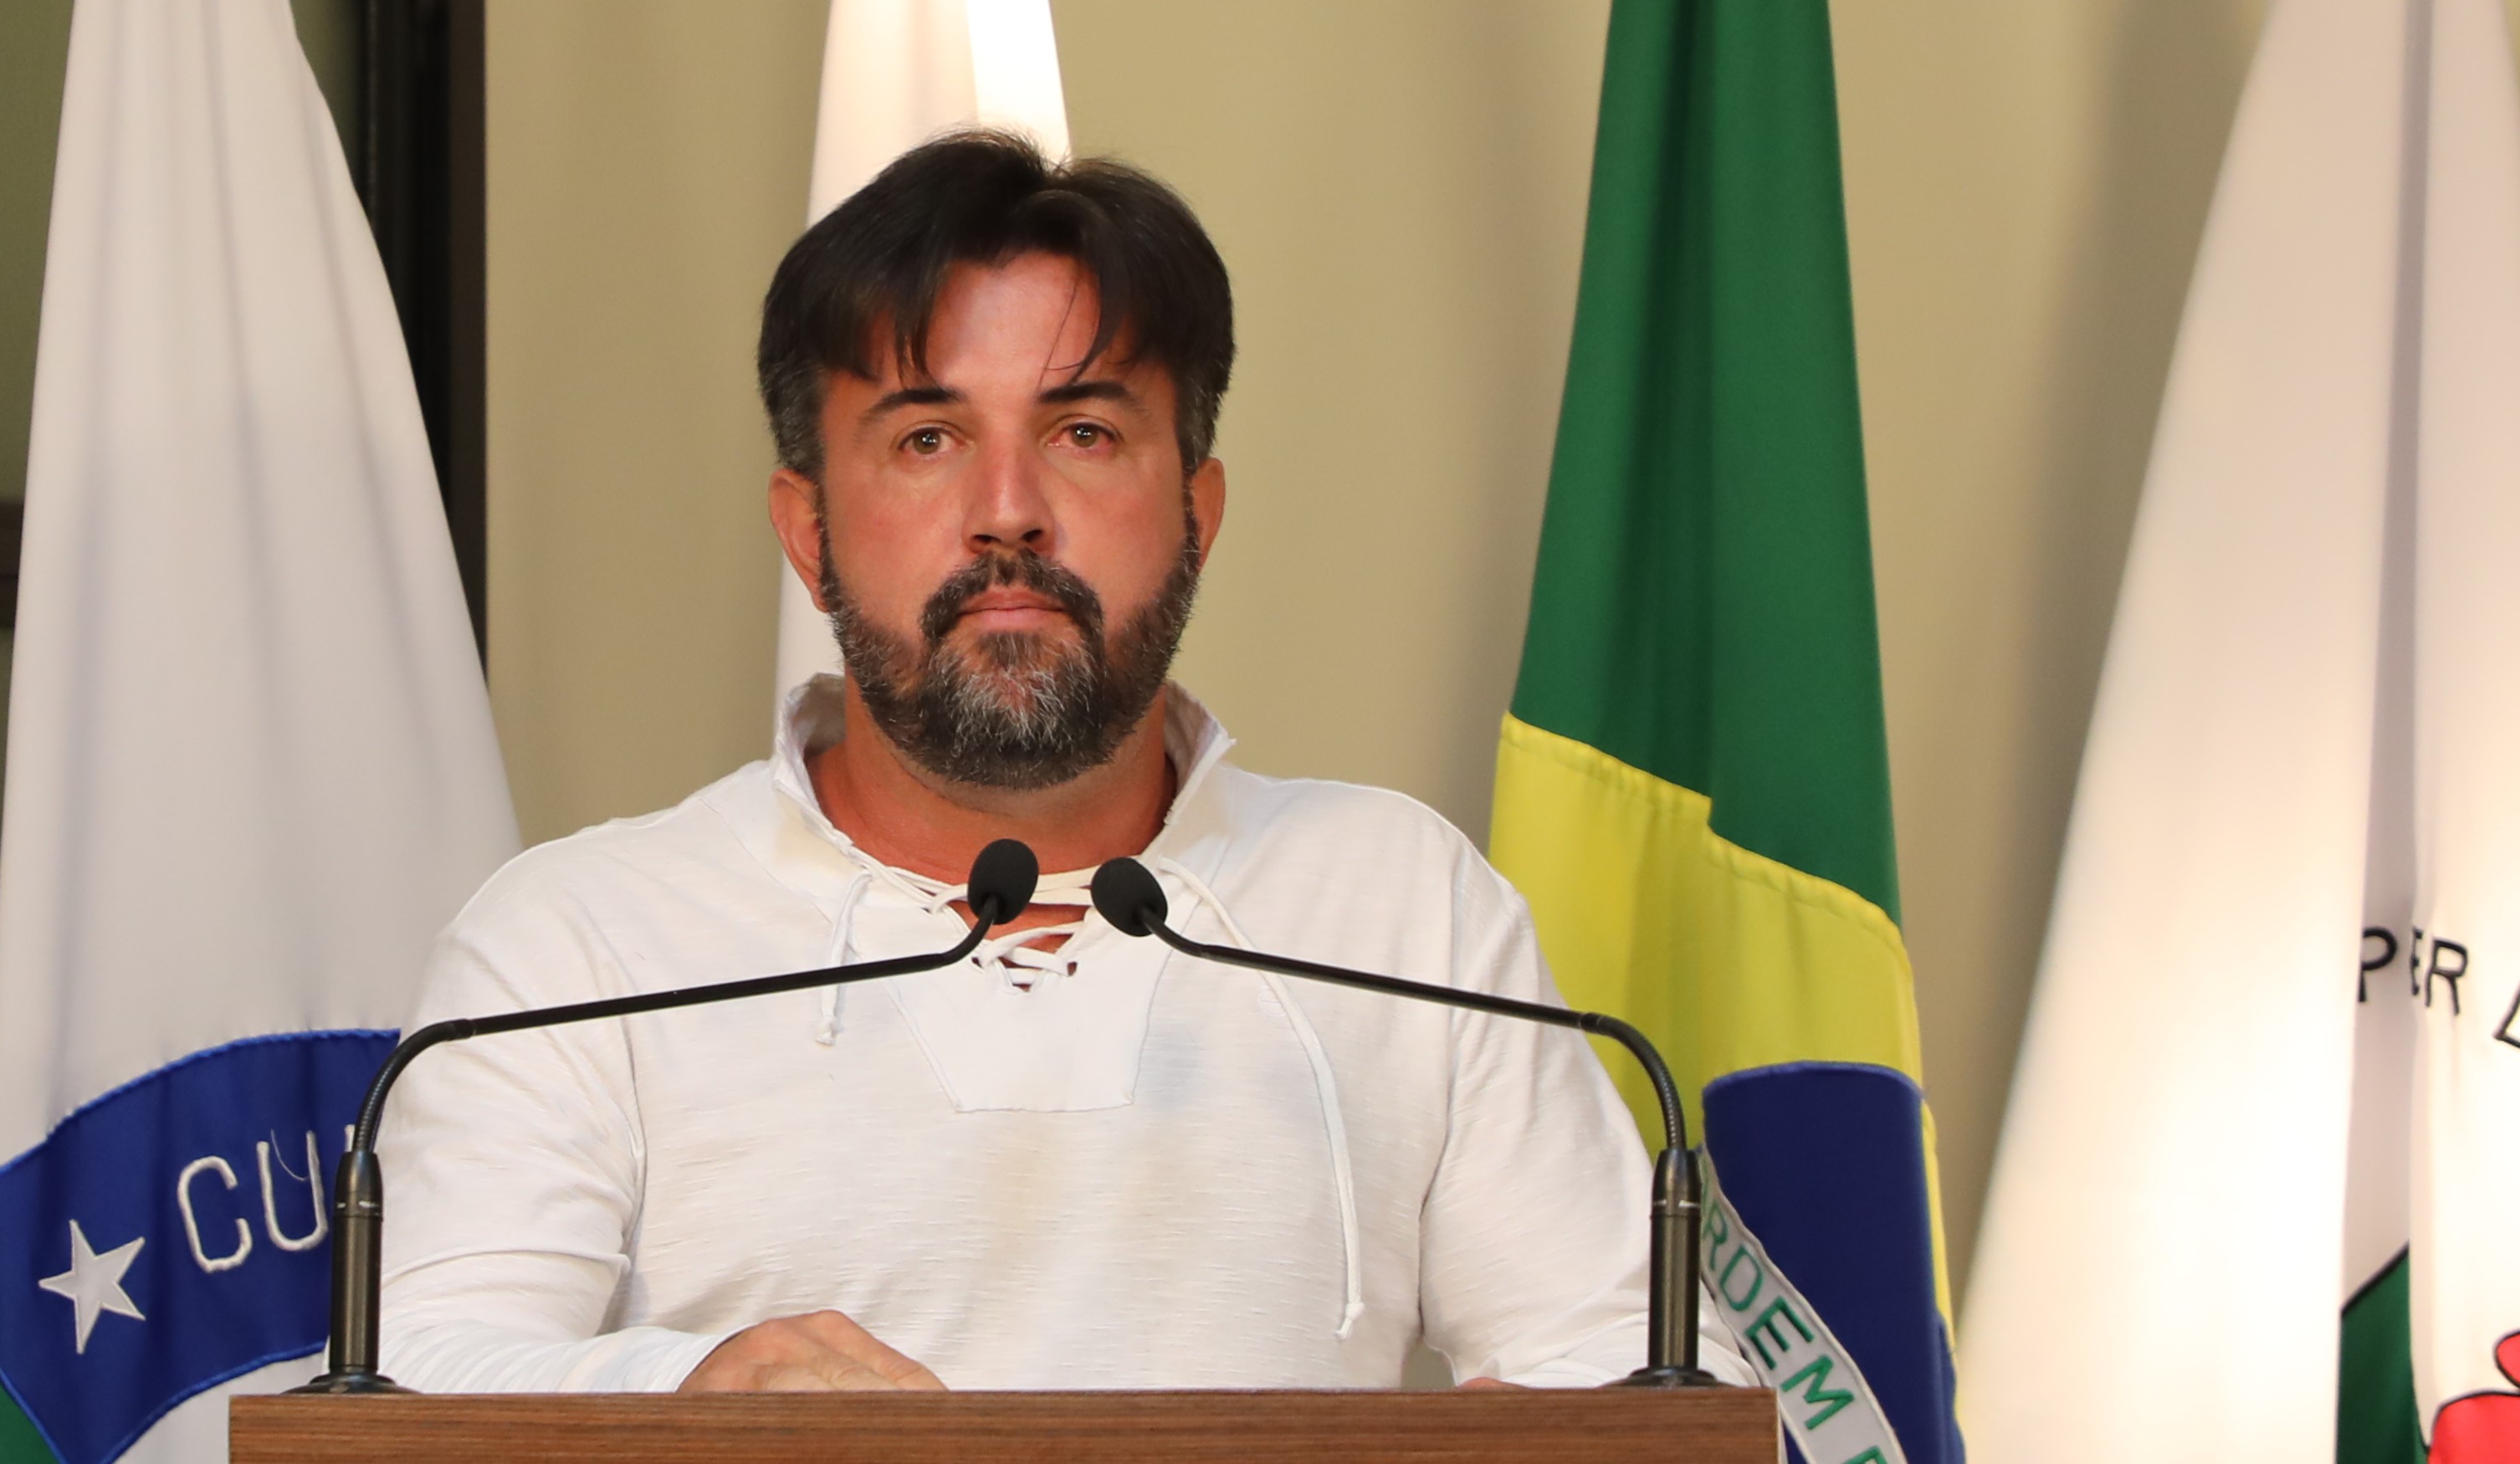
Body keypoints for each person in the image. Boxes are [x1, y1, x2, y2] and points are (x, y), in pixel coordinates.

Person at [376, 131, 1747, 1392]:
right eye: (927, 439)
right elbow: (414, 1379)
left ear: (1198, 510)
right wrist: (693, 1396)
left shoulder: (1399, 906)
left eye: (1084, 432)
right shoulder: (578, 946)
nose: (1009, 515)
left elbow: (1644, 1370)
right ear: (808, 530)